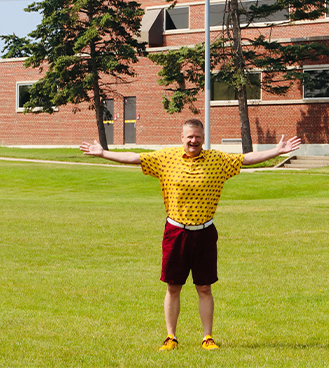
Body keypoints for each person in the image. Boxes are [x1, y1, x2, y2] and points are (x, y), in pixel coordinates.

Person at [80, 118, 300, 351]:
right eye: (190, 137)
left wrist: (276, 151)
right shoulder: (166, 158)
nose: (194, 140)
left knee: (204, 287)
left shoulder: (218, 160)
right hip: (175, 232)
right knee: (173, 286)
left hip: (205, 232)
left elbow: (246, 159)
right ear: (182, 138)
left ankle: (207, 337)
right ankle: (171, 337)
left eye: (198, 137)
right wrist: (103, 153)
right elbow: (135, 157)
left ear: (203, 138)